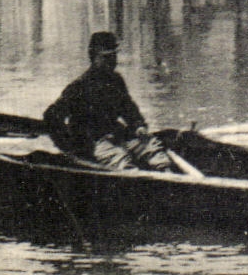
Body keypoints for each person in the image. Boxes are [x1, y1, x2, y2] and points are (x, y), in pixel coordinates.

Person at [43, 31, 175, 171]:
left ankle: (167, 172)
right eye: (106, 57)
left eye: (114, 56)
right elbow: (51, 117)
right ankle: (139, 179)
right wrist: (71, 147)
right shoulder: (79, 87)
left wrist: (138, 126)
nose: (112, 62)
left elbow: (128, 108)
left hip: (118, 135)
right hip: (94, 142)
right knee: (121, 162)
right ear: (94, 57)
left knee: (152, 148)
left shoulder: (116, 80)